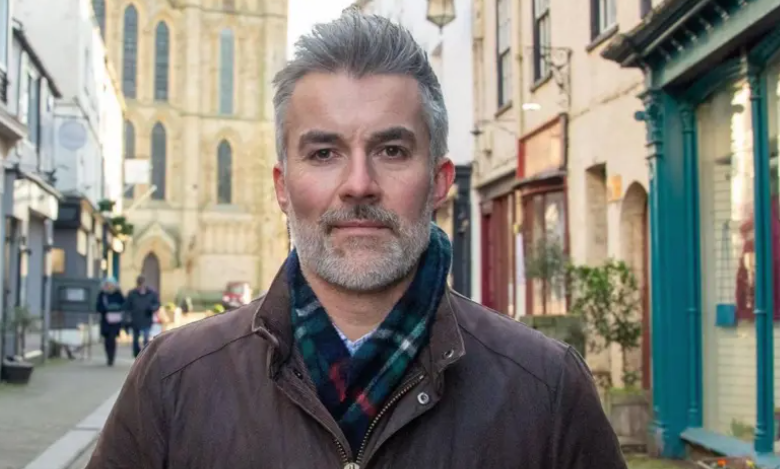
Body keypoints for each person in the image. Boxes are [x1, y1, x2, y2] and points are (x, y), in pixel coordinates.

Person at [87, 8, 626, 468]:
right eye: (324, 153)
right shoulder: (173, 381)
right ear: (282, 186)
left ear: (439, 182)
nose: (359, 185)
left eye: (392, 151)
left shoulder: (546, 389)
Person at [123, 275, 160, 358]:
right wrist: (127, 318)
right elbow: (127, 306)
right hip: (135, 319)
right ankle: (136, 354)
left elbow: (157, 304)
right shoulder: (132, 293)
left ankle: (145, 354)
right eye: (139, 284)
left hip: (146, 318)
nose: (141, 286)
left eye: (142, 283)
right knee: (135, 339)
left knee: (146, 337)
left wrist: (152, 308)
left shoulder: (151, 293)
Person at [95, 277, 125, 366]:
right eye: (107, 284)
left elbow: (123, 304)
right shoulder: (102, 294)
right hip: (105, 320)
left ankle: (111, 358)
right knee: (107, 339)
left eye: (110, 284)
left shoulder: (118, 294)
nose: (108, 286)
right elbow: (98, 306)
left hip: (115, 320)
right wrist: (105, 309)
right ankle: (108, 356)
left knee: (112, 338)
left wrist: (116, 308)